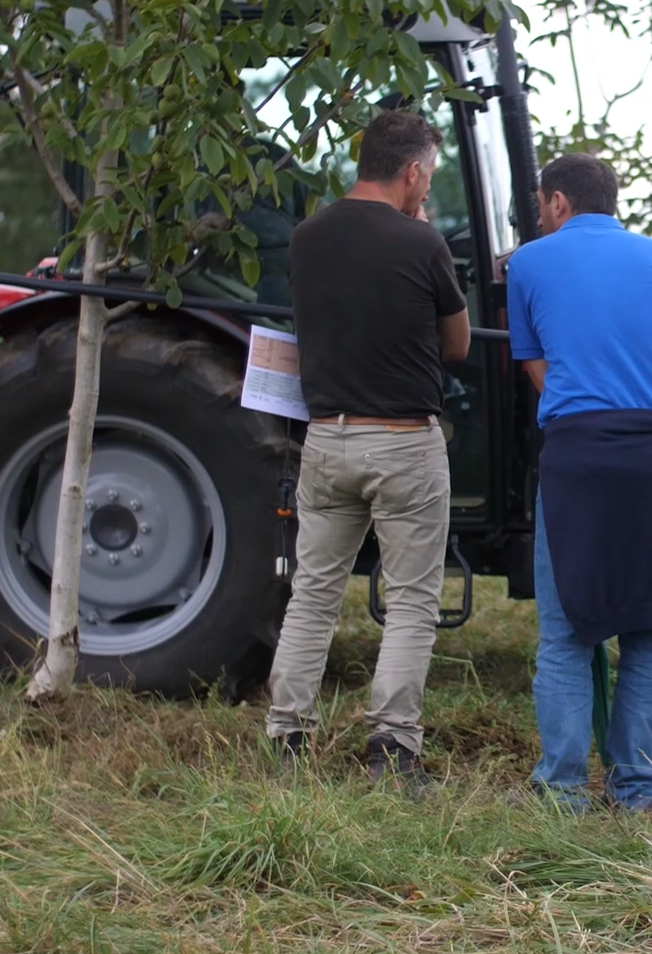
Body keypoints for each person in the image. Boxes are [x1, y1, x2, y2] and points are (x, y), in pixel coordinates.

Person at [264, 110, 470, 789]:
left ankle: (287, 738)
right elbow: (458, 344)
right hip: (404, 441)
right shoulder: (421, 243)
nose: (425, 189)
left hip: (326, 436)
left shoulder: (307, 236)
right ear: (411, 171)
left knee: (313, 595)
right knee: (412, 601)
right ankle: (392, 749)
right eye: (427, 177)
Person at [506, 153, 652, 813]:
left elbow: (540, 370)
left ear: (558, 201)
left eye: (541, 205)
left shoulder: (529, 262)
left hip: (581, 457)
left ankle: (563, 793)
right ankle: (636, 793)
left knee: (566, 632)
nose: (541, 217)